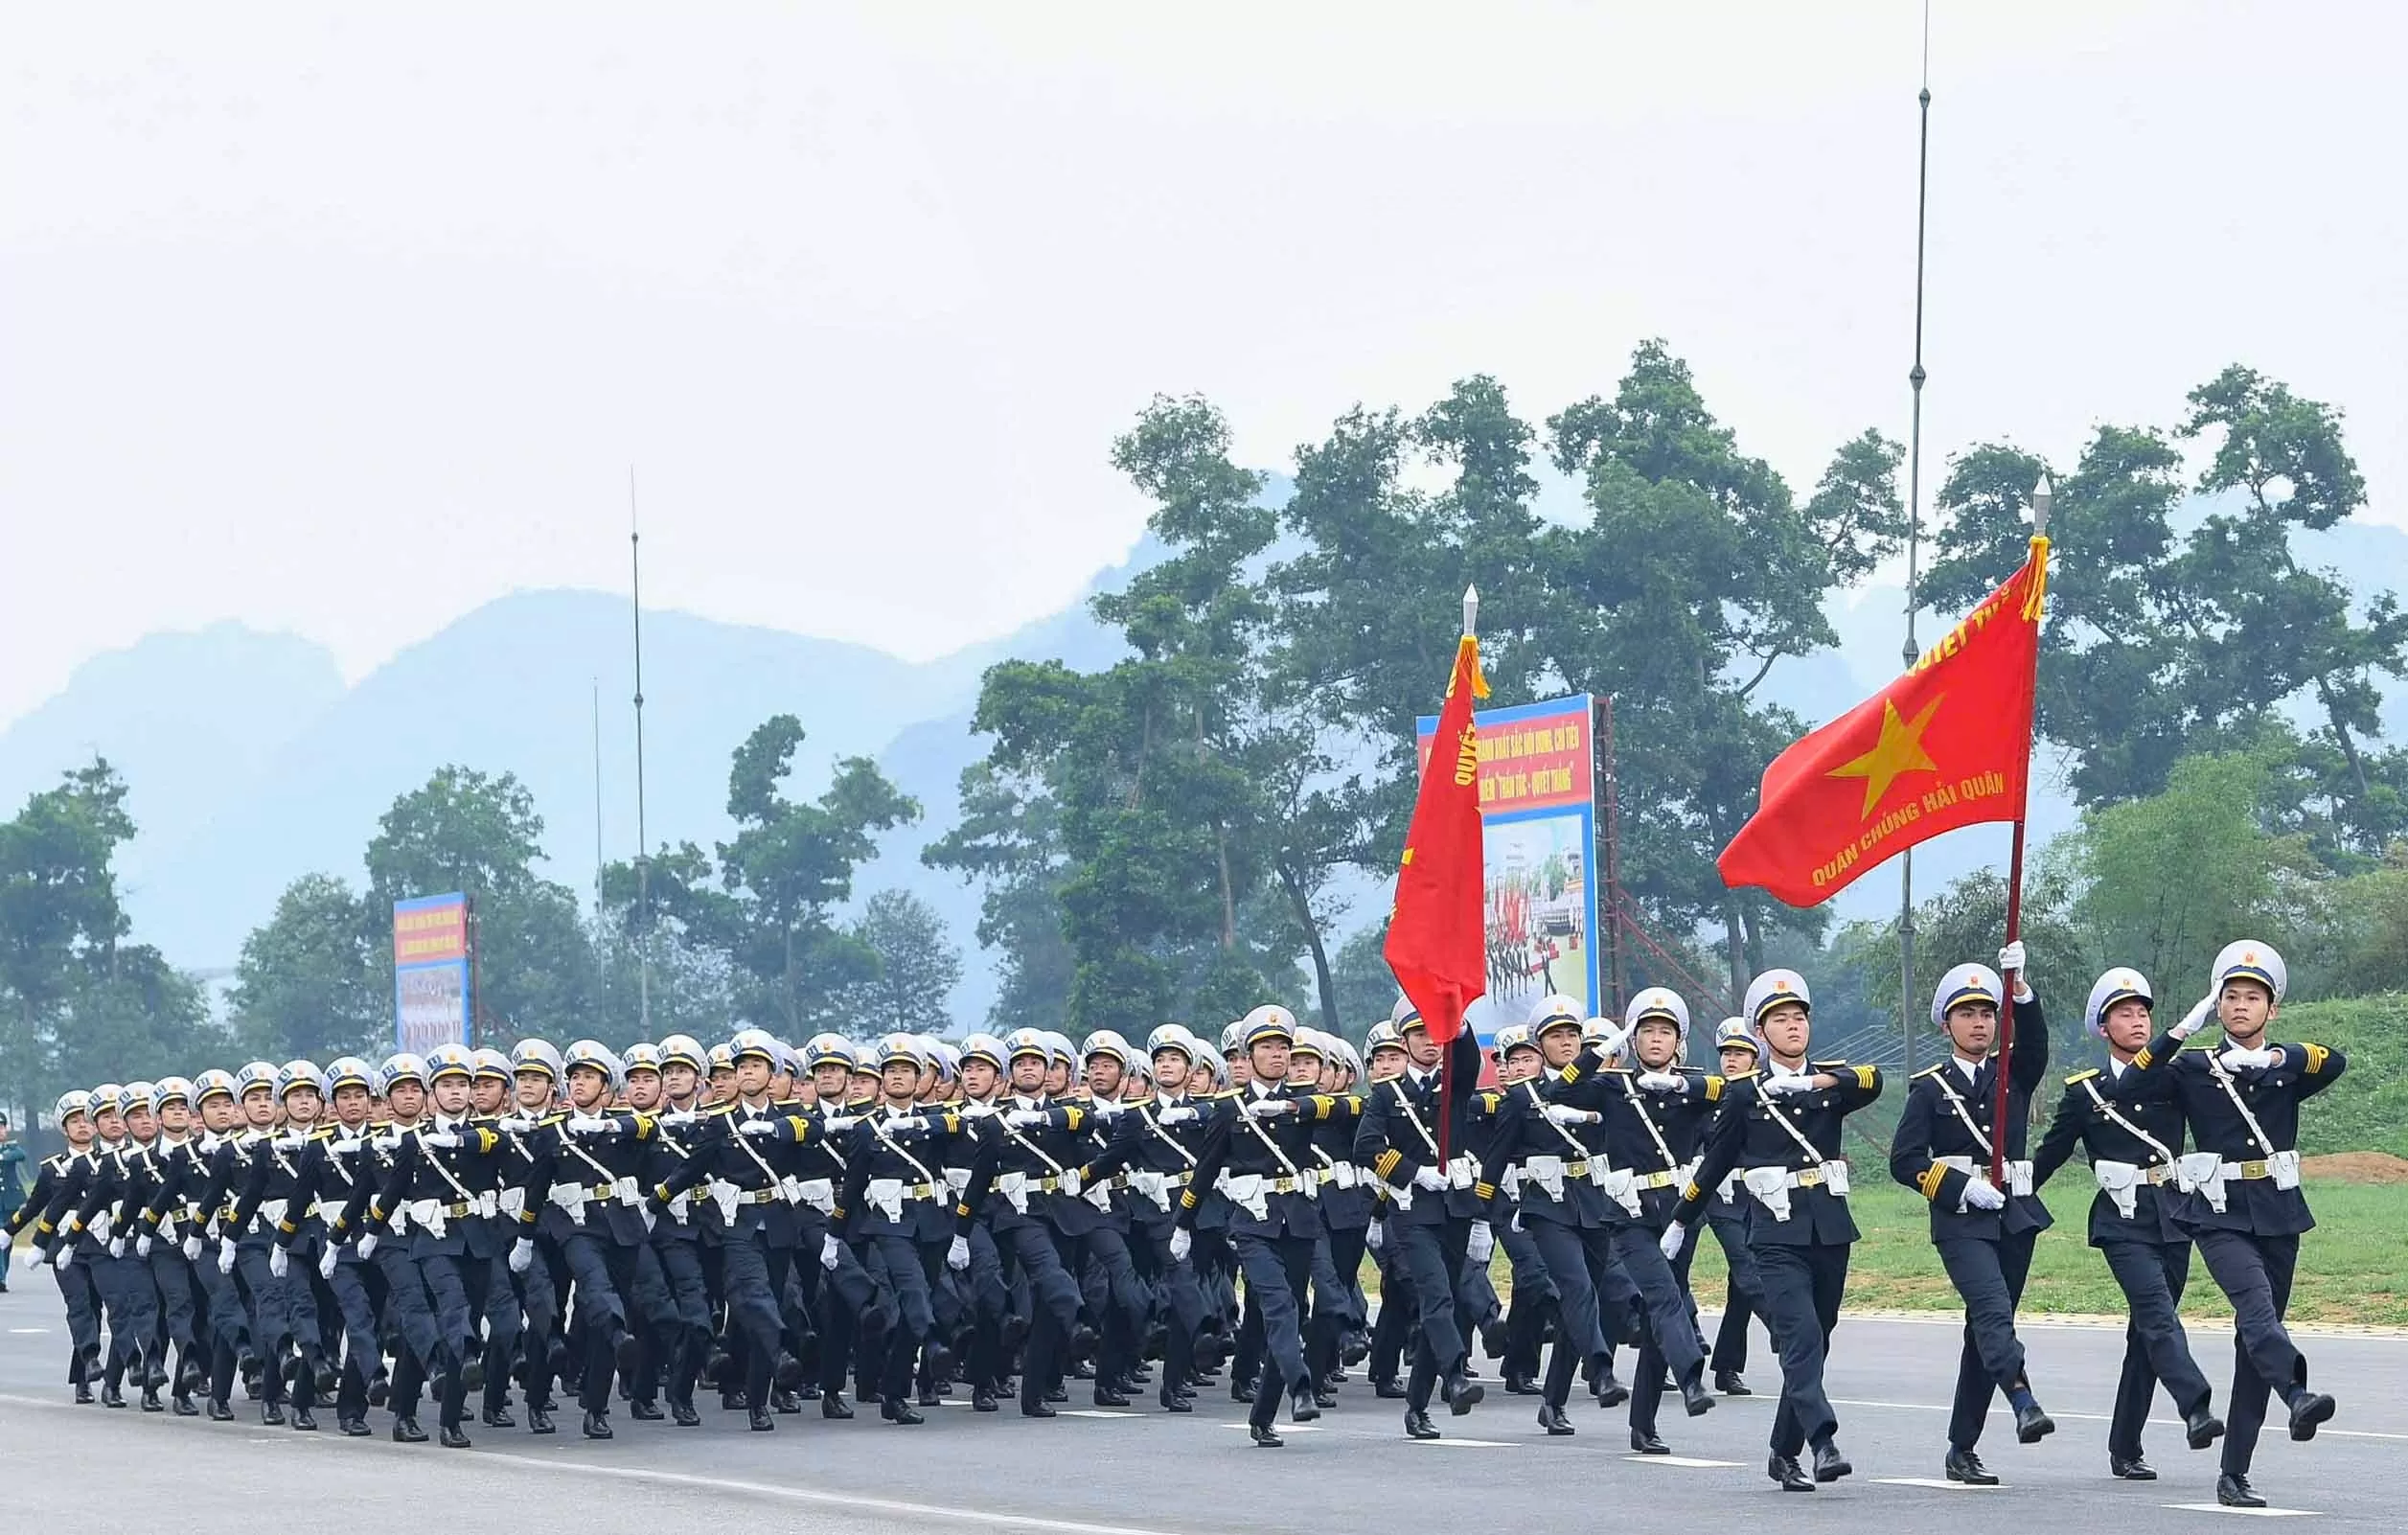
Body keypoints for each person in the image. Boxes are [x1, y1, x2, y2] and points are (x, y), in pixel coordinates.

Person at [2105, 940, 2346, 1509]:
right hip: (2218, 1214)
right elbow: (2128, 1088)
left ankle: (2235, 1472)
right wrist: (2181, 1032)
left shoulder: (2284, 1069)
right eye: (2230, 997)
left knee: (2253, 1346)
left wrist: (2276, 1058)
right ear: (2217, 1006)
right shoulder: (2192, 1068)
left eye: (2252, 998)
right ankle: (2298, 1391)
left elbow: (2333, 1060)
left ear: (2271, 1010)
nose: (2240, 1006)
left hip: (2280, 1212)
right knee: (2257, 1311)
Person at [1668, 969, 1884, 1493]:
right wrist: (1681, 1218)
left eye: (1798, 1018)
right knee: (1800, 1337)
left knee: (1818, 1341)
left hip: (1830, 1229)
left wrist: (1817, 1081)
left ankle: (1781, 1452)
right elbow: (1715, 1162)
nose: (1792, 1027)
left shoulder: (1830, 1085)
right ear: (1760, 1034)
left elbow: (1875, 1080)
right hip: (1774, 1233)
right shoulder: (1745, 1096)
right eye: (1779, 1021)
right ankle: (1823, 1441)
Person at [2031, 968, 2224, 1482]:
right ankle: (2196, 1406)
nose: (2137, 1020)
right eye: (2124, 1014)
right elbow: (2049, 1154)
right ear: (2102, 1027)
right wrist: (2015, 1189)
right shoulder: (2085, 1092)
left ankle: (2124, 1447)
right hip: (2123, 1221)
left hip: (2175, 1214)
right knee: (2158, 1316)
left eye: (2143, 1013)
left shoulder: (2170, 1075)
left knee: (2145, 1338)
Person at [1888, 944, 2057, 1484]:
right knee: (1992, 1313)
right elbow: (1904, 1161)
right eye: (1968, 1014)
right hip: (1962, 1220)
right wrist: (1957, 1187)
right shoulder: (1929, 1090)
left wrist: (2021, 988)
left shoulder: (2014, 1072)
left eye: (1988, 1013)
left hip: (2014, 1216)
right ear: (1947, 1025)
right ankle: (2023, 1398)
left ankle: (1962, 1447)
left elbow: (2036, 1042)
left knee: (1982, 1331)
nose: (1980, 1023)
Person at [1355, 995, 1489, 1438]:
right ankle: (1454, 1376)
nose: (1430, 1042)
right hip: (1413, 1211)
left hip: (1454, 1207)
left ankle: (1416, 1406)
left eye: (1436, 1033)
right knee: (1436, 1297)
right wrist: (1414, 1173)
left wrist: (1459, 1023)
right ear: (1405, 1041)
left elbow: (1469, 1061)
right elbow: (1366, 1147)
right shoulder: (1386, 1095)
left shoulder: (1455, 1084)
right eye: (1420, 1034)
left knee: (1446, 1297)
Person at [0, 1111, 26, 1293]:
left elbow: (20, 1154)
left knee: (7, 1241)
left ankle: (3, 1276)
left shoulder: (10, 1148)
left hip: (9, 1202)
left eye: (1, 1127)